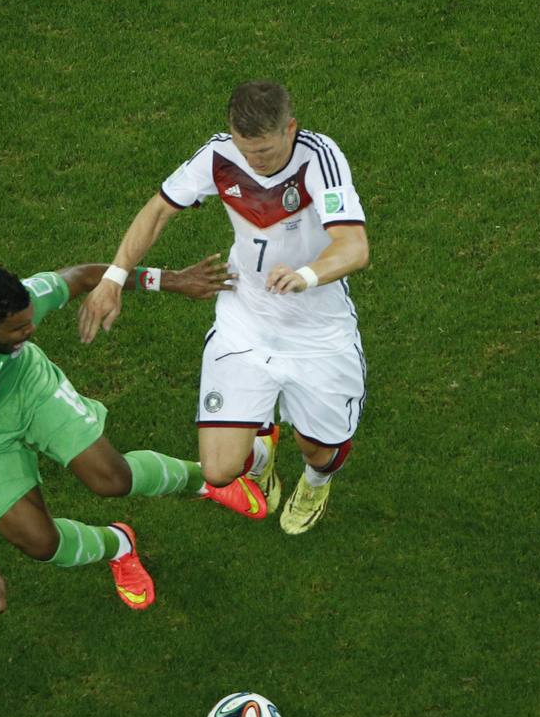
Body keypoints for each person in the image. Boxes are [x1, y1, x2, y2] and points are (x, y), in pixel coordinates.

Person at [78, 80, 369, 535]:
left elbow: (354, 246)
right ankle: (261, 445)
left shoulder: (320, 157)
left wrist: (306, 275)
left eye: (267, 152)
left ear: (290, 129)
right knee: (218, 471)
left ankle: (315, 482)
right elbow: (157, 211)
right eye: (246, 150)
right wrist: (114, 278)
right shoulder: (217, 156)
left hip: (317, 334)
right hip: (245, 322)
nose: (255, 163)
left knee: (318, 448)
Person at [0, 258, 267, 614]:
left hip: (30, 389)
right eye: (17, 330)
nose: (30, 331)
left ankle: (204, 480)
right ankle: (118, 545)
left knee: (112, 479)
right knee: (40, 543)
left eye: (28, 321)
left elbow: (89, 275)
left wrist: (174, 280)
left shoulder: (22, 301)